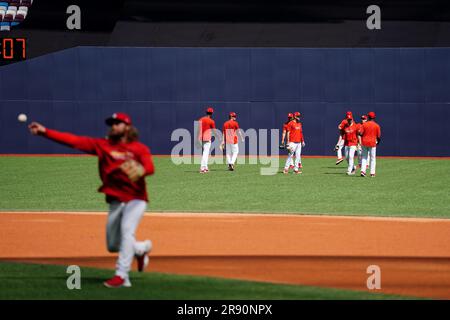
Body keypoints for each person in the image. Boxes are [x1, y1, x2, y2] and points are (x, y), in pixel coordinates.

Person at [28, 112, 155, 288]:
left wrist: (141, 170)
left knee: (127, 231)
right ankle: (140, 249)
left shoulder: (139, 148)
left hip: (136, 199)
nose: (114, 126)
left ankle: (121, 276)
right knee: (112, 245)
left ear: (127, 127)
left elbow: (149, 167)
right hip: (116, 199)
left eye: (118, 123)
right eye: (112, 123)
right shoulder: (102, 145)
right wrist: (45, 132)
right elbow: (74, 141)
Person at [358, 111, 381, 177]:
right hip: (372, 143)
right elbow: (378, 137)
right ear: (374, 117)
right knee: (372, 158)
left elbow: (360, 133)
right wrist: (378, 142)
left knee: (364, 157)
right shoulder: (377, 125)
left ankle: (363, 171)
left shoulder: (364, 124)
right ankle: (372, 173)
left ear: (368, 117)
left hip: (364, 142)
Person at [197, 107, 216, 173]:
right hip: (207, 139)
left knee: (206, 152)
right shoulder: (211, 121)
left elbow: (198, 129)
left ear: (206, 112)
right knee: (205, 153)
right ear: (211, 113)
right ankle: (202, 168)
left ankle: (206, 167)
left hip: (201, 138)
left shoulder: (200, 119)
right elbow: (214, 131)